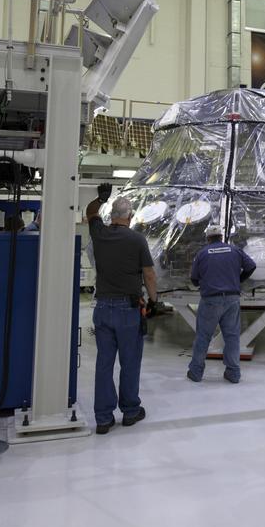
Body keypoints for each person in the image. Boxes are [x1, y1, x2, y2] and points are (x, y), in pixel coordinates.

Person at [85, 184, 158, 434]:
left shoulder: (100, 234)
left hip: (103, 307)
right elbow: (149, 274)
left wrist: (100, 199)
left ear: (112, 215)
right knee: (130, 362)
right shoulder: (137, 240)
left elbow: (90, 212)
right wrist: (154, 301)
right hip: (128, 309)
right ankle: (129, 411)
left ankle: (103, 418)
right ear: (130, 216)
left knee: (104, 363)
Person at [187, 225, 256, 383]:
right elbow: (251, 266)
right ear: (221, 236)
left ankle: (196, 372)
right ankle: (233, 374)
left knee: (203, 337)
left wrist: (204, 281)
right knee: (232, 337)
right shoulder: (234, 250)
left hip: (211, 300)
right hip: (232, 299)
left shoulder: (202, 253)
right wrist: (238, 280)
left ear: (208, 238)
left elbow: (194, 279)